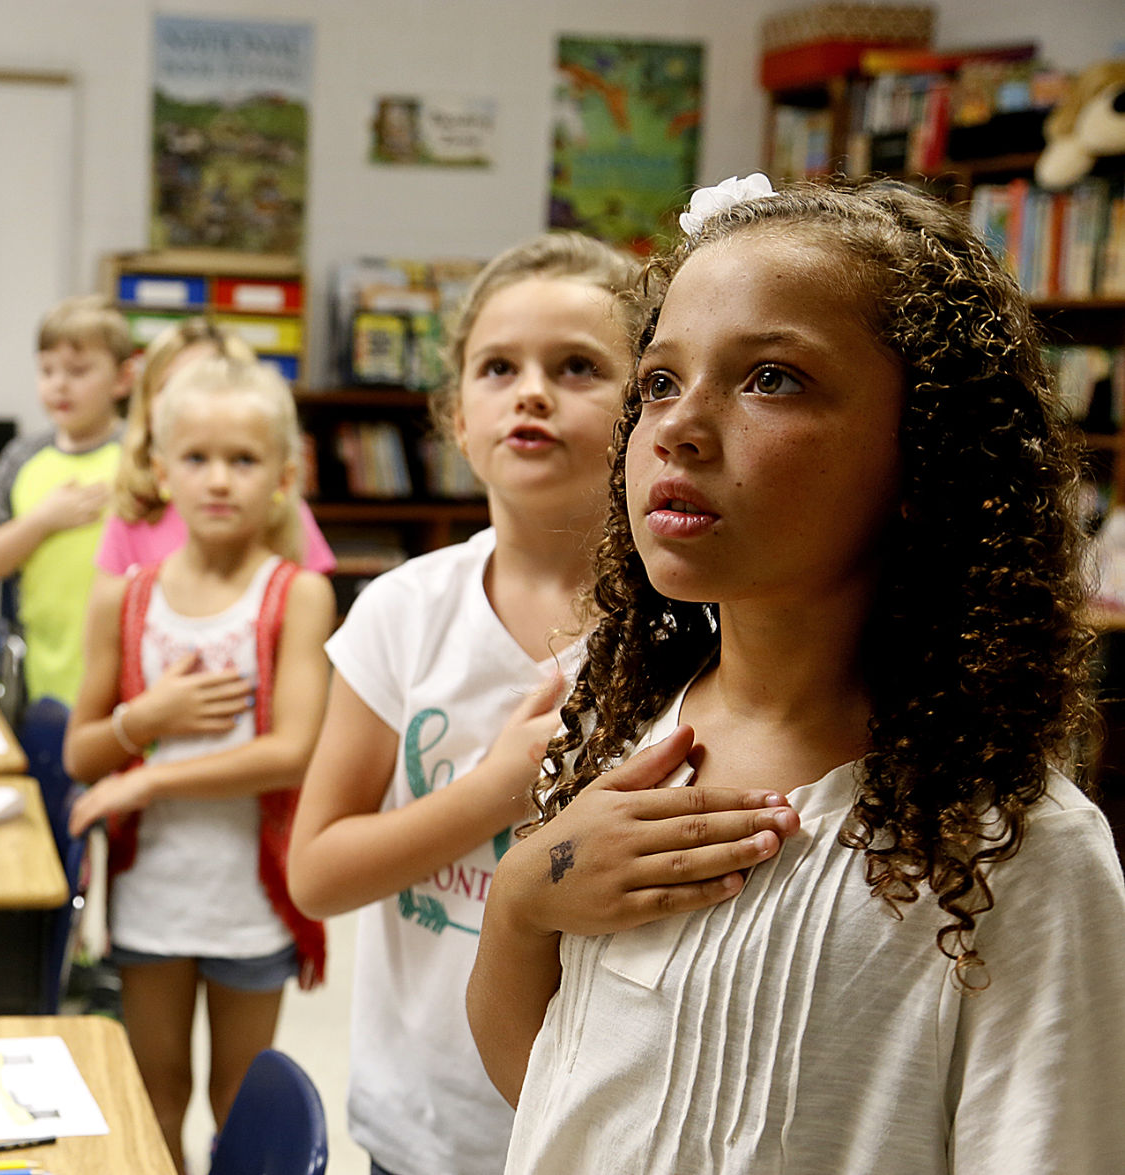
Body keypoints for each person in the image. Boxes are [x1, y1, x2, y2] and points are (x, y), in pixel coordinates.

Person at [467, 178, 1125, 1173]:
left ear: (924, 456)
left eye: (769, 377)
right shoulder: (626, 726)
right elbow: (551, 1093)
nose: (678, 427)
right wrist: (523, 892)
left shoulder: (1012, 852)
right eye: (656, 381)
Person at [286, 232, 639, 1175]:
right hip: (428, 1122)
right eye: (498, 367)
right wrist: (492, 793)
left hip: (606, 1124)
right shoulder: (401, 612)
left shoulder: (689, 630)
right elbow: (317, 873)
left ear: (647, 408)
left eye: (577, 367)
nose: (532, 391)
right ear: (455, 417)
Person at [64, 355, 334, 1172]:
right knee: (156, 1090)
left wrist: (149, 771)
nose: (219, 480)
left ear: (283, 476)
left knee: (236, 1098)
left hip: (251, 898)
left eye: (244, 460)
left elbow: (292, 751)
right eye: (197, 458)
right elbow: (81, 750)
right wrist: (140, 722)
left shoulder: (298, 593)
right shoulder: (126, 595)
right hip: (152, 895)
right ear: (160, 470)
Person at [0, 294, 134, 706]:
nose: (59, 384)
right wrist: (43, 520)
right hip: (44, 669)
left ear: (122, 378)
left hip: (131, 668)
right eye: (47, 371)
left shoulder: (142, 453)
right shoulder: (21, 457)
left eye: (78, 371)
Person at [96, 316, 336, 580]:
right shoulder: (133, 512)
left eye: (205, 382)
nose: (192, 401)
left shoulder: (282, 510)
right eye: (171, 386)